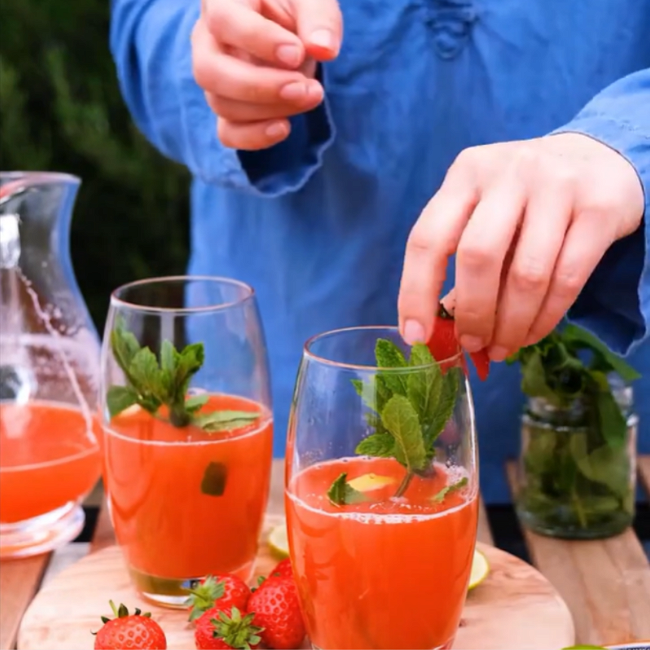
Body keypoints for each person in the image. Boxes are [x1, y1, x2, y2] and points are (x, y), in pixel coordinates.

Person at [110, 0, 649, 502]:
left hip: (598, 452)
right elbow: (146, 18)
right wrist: (223, 51)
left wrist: (629, 143)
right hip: (273, 368)